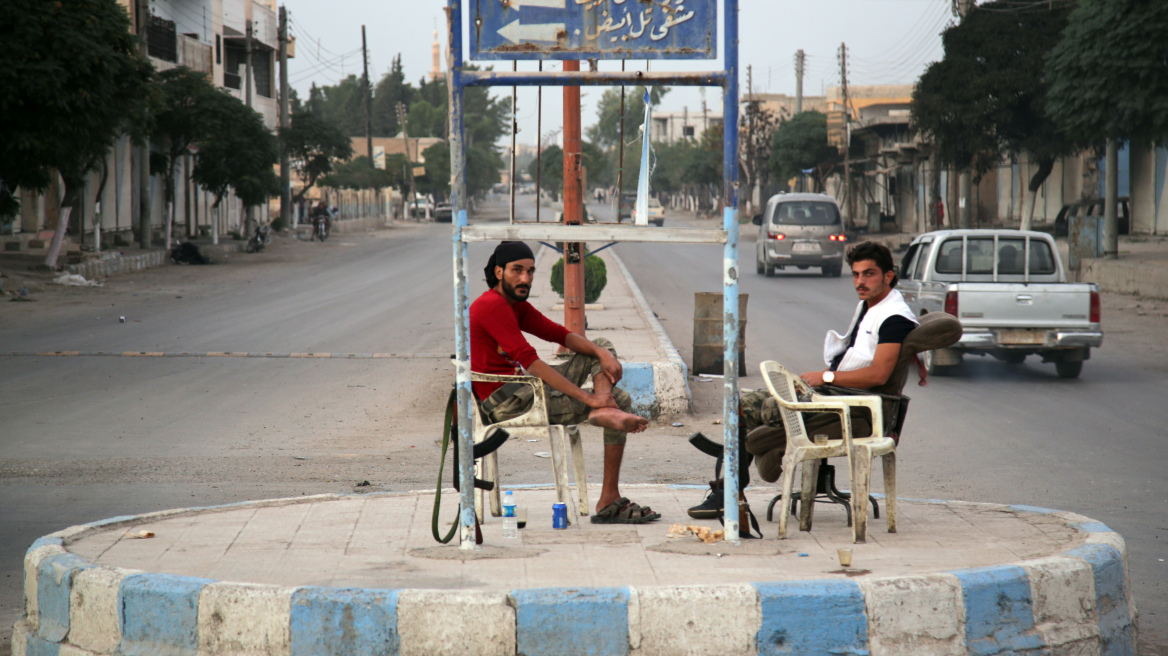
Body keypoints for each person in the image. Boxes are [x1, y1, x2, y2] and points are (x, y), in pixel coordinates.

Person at [688, 241, 919, 518]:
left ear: (888, 276)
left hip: (851, 404)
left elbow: (880, 374)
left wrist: (825, 377)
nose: (860, 281)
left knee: (760, 409)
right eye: (856, 274)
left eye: (869, 274)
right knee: (742, 402)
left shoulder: (894, 317)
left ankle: (730, 491)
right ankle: (733, 488)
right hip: (836, 393)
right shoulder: (871, 305)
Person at [471, 241, 658, 524]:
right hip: (507, 403)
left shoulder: (515, 305)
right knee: (619, 399)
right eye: (517, 271)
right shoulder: (491, 306)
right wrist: (588, 398)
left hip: (524, 392)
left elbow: (557, 333)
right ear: (499, 272)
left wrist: (601, 352)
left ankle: (604, 409)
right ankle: (608, 493)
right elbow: (531, 362)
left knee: (600, 346)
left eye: (530, 271)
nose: (525, 279)